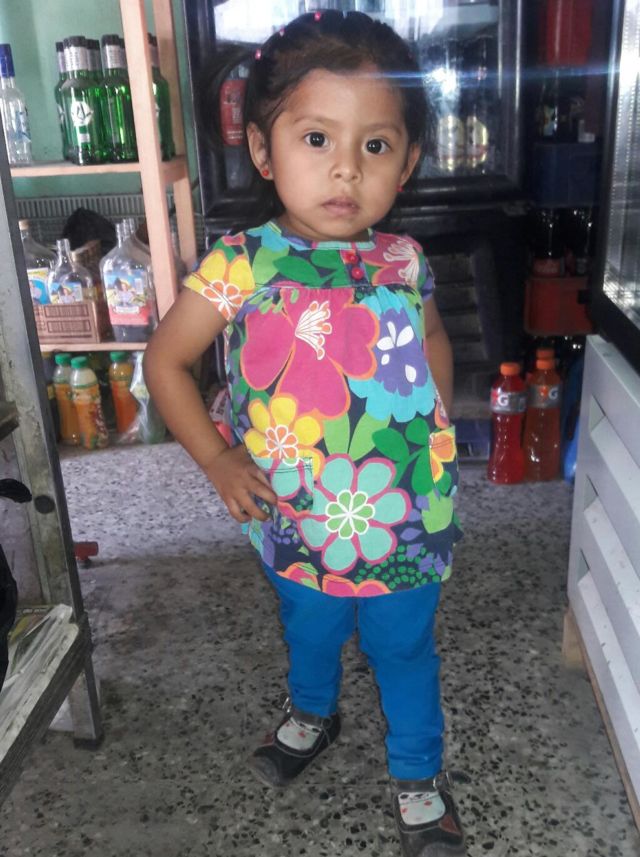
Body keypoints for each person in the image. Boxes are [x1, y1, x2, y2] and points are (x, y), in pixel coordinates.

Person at [144, 11, 465, 857]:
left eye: (376, 145)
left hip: (403, 513)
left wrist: (436, 420)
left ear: (409, 160)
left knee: (403, 645)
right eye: (317, 138)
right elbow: (166, 361)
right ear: (263, 149)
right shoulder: (240, 264)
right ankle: (314, 712)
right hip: (294, 510)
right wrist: (216, 458)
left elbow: (433, 337)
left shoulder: (404, 261)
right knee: (311, 625)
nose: (345, 168)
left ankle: (419, 772)